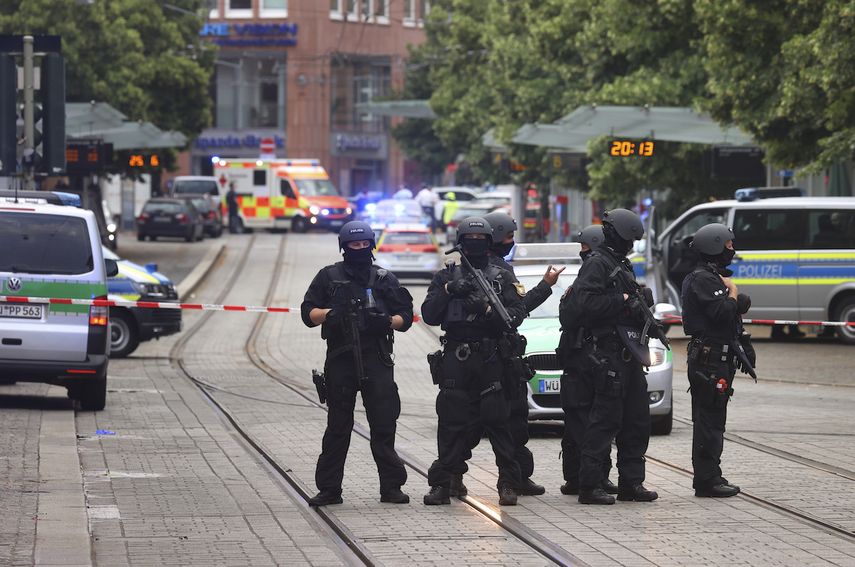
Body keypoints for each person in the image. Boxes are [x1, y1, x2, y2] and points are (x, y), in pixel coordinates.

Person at [301, 221, 415, 506]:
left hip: (377, 358)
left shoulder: (383, 278)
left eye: (365, 244)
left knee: (383, 424)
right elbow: (307, 313)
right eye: (355, 245)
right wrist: (331, 314)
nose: (360, 249)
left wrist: (386, 321)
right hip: (341, 359)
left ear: (372, 245)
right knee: (338, 426)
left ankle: (391, 487)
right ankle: (330, 489)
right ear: (344, 247)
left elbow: (406, 317)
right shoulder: (328, 276)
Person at [422, 217, 526, 507]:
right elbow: (429, 314)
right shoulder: (446, 276)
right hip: (457, 357)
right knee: (451, 421)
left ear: (489, 242)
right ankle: (445, 482)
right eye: (470, 239)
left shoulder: (502, 275)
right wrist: (448, 291)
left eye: (481, 240)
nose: (475, 244)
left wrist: (487, 309)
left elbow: (516, 315)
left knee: (498, 421)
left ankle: (508, 483)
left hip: (492, 356)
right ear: (460, 242)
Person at [563, 209, 658, 505]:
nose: (631, 244)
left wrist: (640, 302)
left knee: (636, 421)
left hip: (629, 355)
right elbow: (586, 304)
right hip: (607, 356)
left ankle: (632, 483)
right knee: (604, 422)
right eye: (630, 239)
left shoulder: (620, 264)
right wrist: (624, 301)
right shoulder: (597, 264)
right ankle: (590, 485)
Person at [681, 223, 755, 498]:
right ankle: (707, 480)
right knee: (709, 422)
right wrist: (733, 292)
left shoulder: (712, 277)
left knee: (713, 419)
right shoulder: (703, 279)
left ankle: (712, 475)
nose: (732, 250)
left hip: (715, 358)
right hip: (709, 360)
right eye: (728, 245)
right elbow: (722, 312)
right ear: (714, 246)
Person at [558, 225, 618, 497]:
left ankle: (596, 476)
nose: (583, 253)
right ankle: (579, 478)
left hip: (591, 360)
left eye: (585, 248)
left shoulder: (601, 277)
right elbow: (573, 315)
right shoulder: (584, 284)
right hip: (579, 360)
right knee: (581, 423)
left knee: (595, 421)